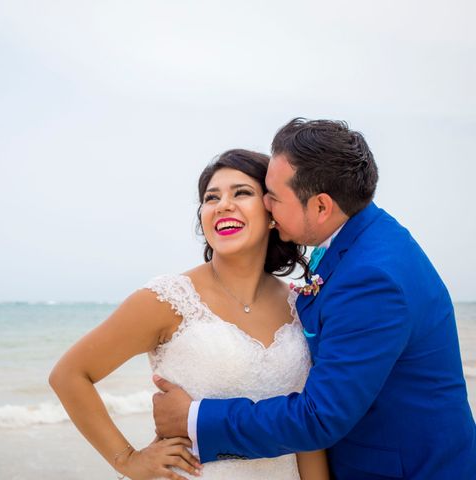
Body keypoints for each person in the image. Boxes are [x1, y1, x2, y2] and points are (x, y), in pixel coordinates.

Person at [152, 118, 476, 479]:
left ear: (321, 206)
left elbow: (322, 416)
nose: (266, 204)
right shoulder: (360, 232)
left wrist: (194, 419)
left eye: (273, 195)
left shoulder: (373, 278)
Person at [49, 149, 330, 479]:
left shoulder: (300, 306)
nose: (223, 204)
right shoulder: (168, 298)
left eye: (242, 193)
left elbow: (308, 432)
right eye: (212, 198)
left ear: (271, 213)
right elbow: (69, 375)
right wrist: (127, 459)